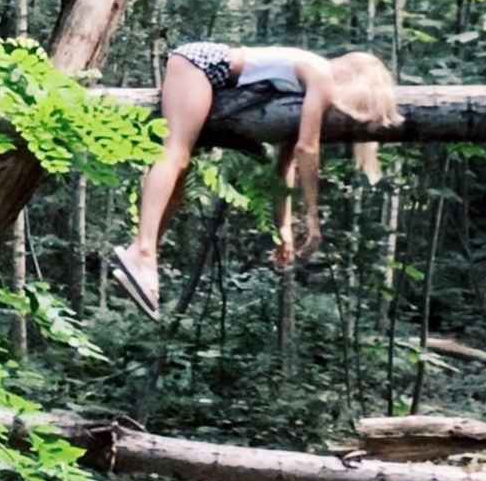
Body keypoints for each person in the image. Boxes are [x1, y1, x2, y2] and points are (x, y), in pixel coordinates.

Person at [112, 41, 402, 320]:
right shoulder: (321, 73)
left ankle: (140, 254)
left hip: (206, 71)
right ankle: (144, 251)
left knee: (180, 178)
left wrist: (284, 226)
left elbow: (285, 162)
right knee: (176, 153)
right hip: (200, 64)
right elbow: (307, 148)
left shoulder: (303, 82)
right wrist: (313, 217)